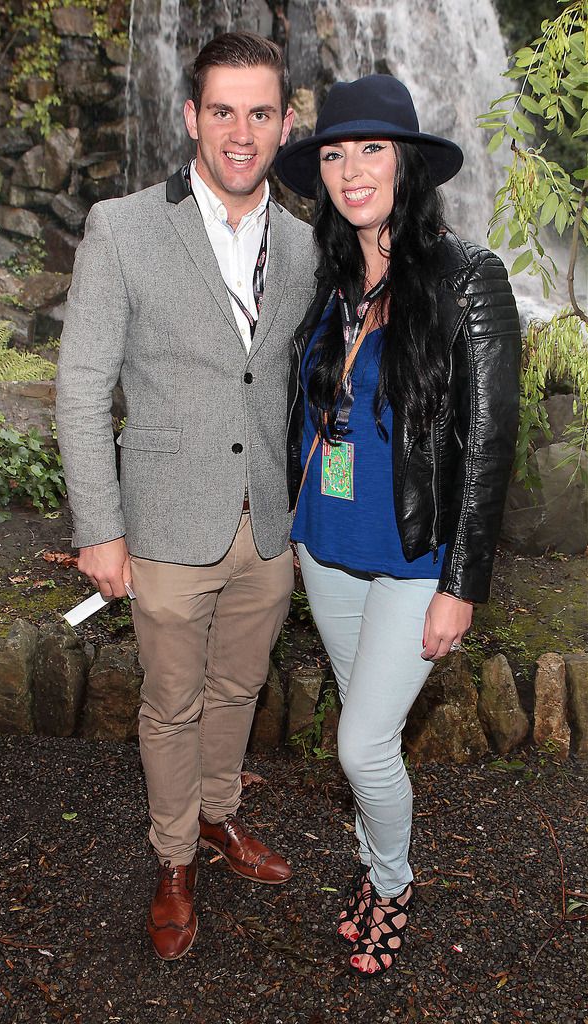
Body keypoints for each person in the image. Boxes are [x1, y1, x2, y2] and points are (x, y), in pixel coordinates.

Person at [56, 31, 316, 961]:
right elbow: (82, 387)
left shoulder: (303, 241)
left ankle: (216, 816)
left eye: (259, 113)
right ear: (190, 117)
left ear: (284, 122)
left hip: (268, 523)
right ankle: (172, 858)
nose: (240, 133)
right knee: (170, 701)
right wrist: (100, 530)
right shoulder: (122, 227)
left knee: (238, 686)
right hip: (164, 522)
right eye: (222, 111)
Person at [275, 74, 521, 976]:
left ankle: (392, 880)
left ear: (407, 164)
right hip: (328, 548)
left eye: (370, 149)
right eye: (334, 154)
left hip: (416, 555)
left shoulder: (469, 278)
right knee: (364, 726)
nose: (349, 170)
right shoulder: (330, 277)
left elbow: (490, 444)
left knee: (360, 743)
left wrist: (462, 584)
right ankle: (380, 864)